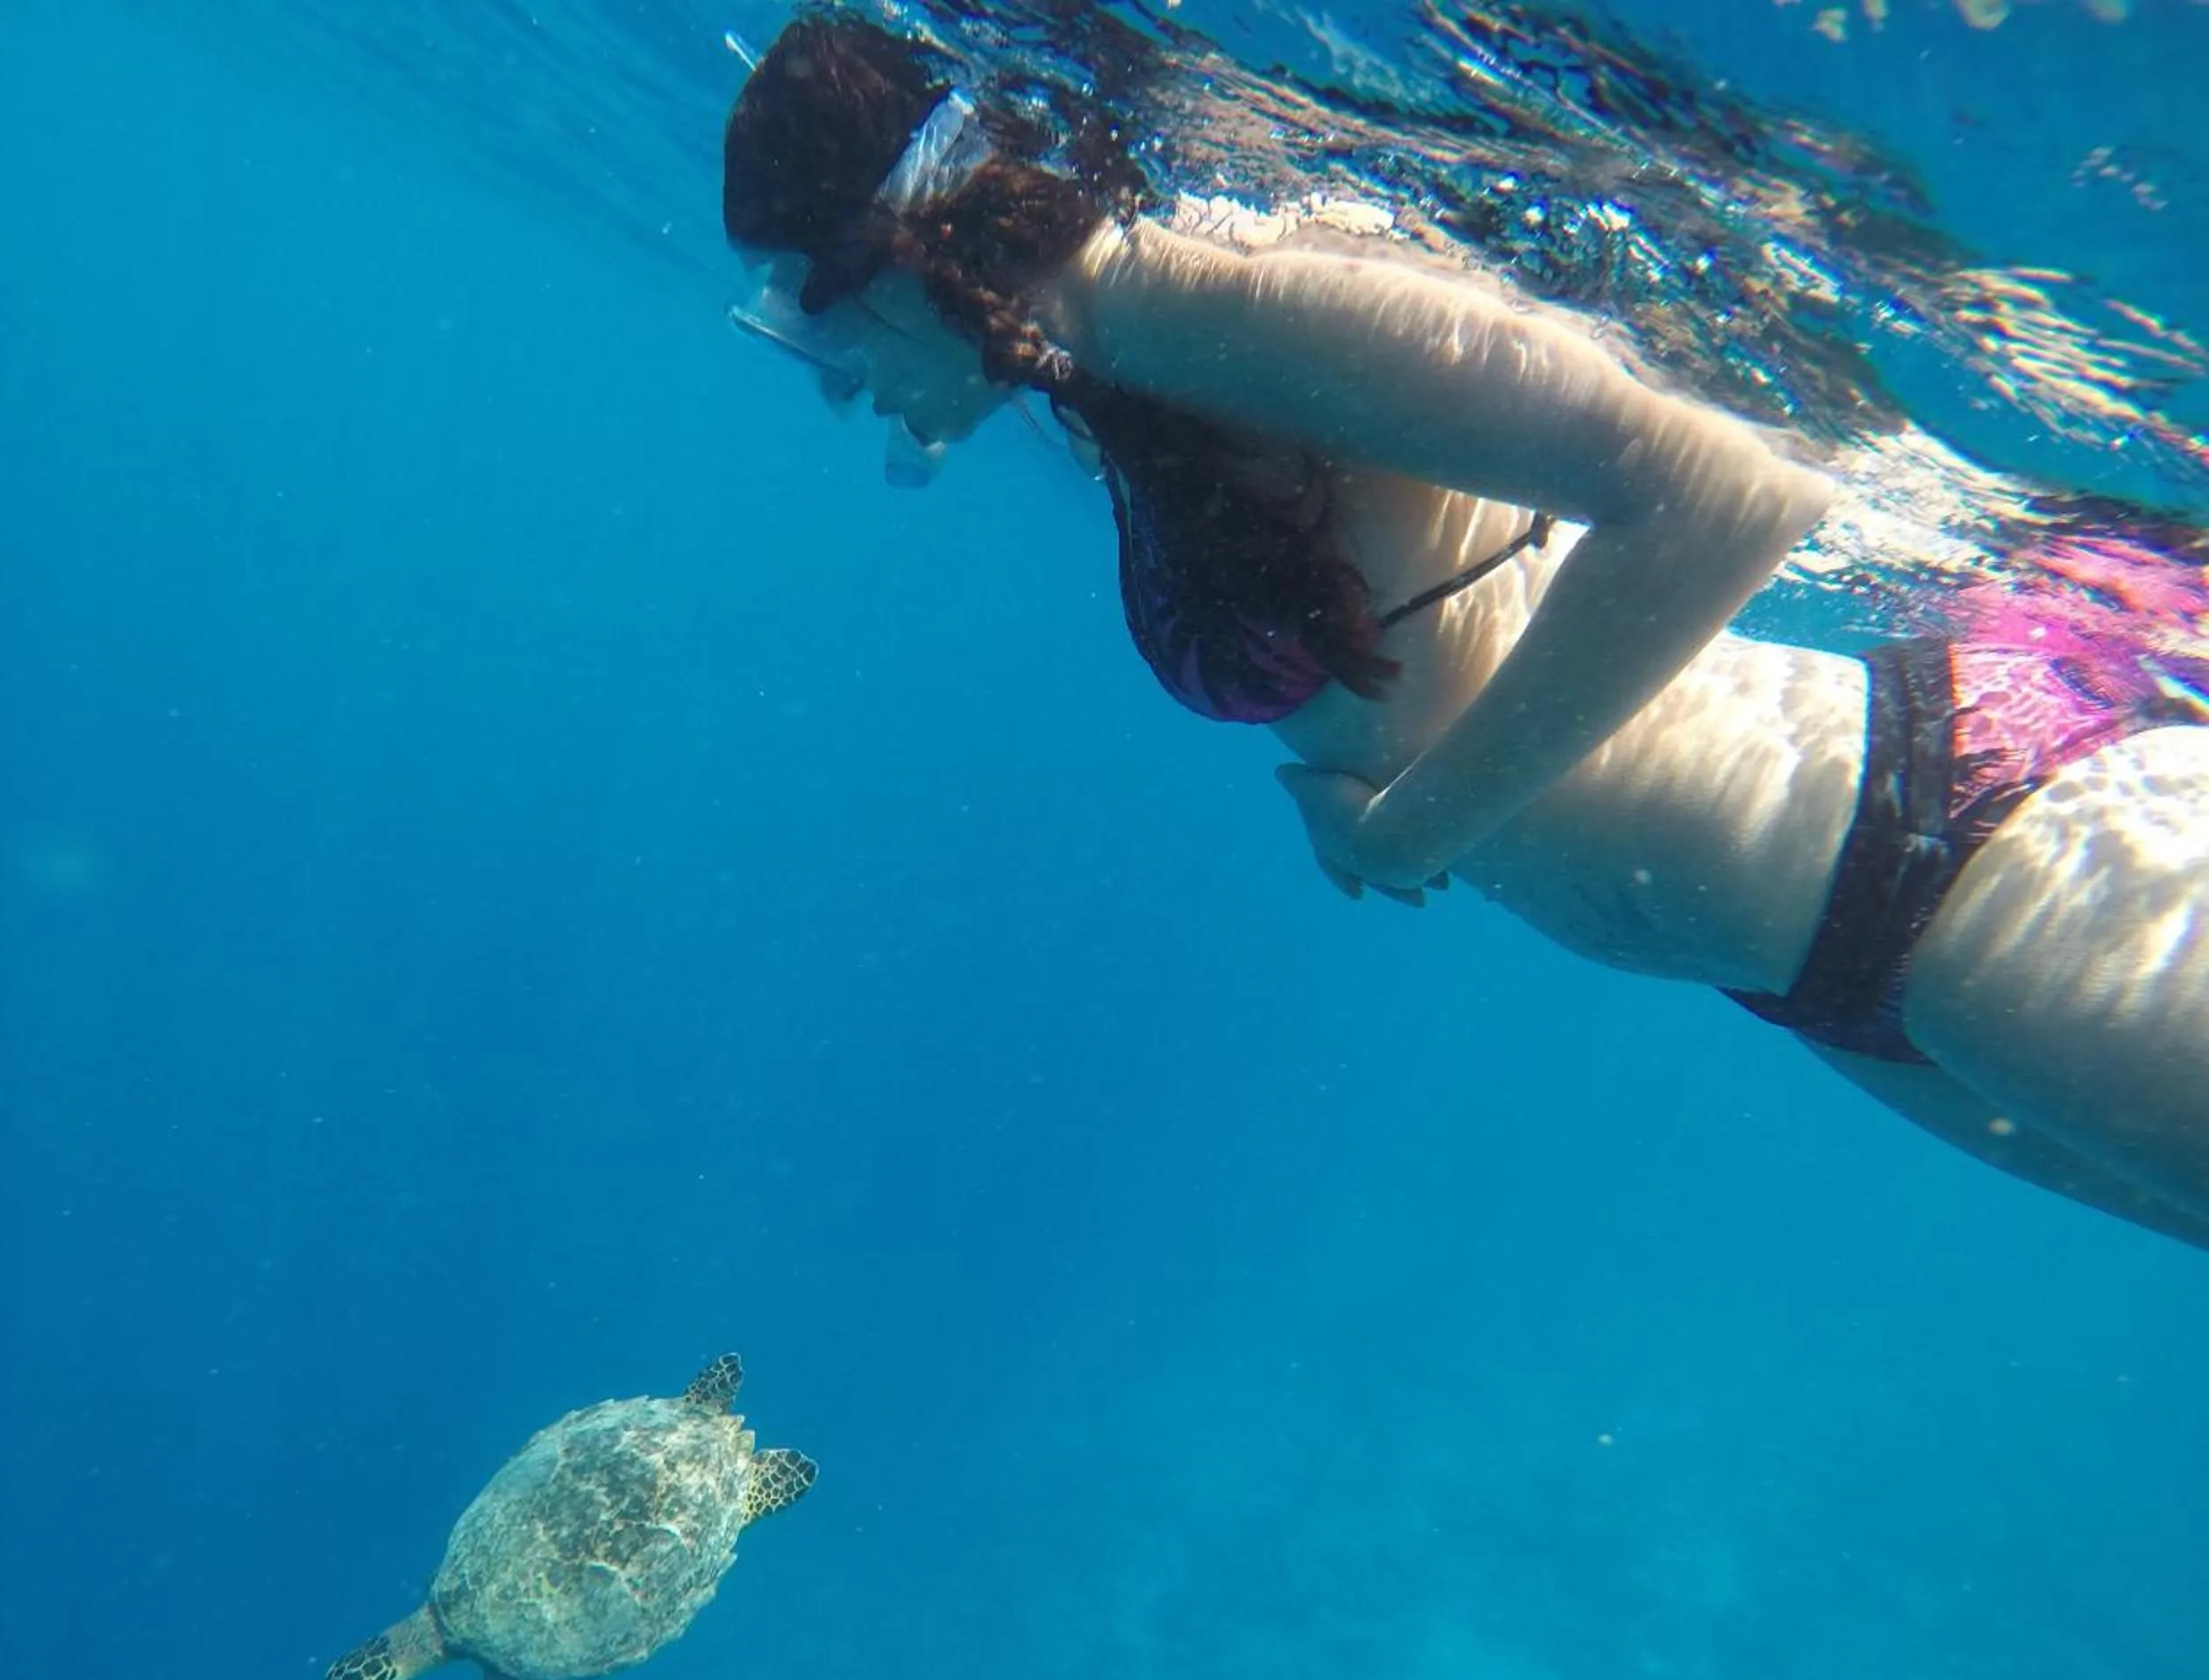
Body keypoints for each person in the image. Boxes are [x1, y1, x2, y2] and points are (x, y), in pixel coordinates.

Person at [719, 11, 2209, 1253]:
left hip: (1945, 857)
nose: (835, 383)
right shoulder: (1121, 362)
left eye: (810, 321)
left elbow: (1729, 493)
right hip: (1838, 950)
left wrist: (1405, 829)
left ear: (899, 251)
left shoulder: (1191, 302)